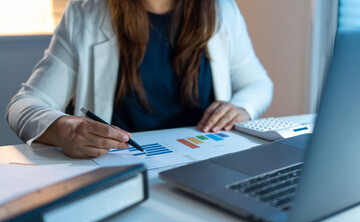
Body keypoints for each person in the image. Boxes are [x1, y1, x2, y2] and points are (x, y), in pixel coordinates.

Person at [6, 0, 273, 158]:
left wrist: (242, 108)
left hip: (204, 162)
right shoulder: (85, 12)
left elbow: (258, 84)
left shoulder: (221, 10)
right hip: (120, 171)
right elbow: (23, 105)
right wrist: (62, 129)